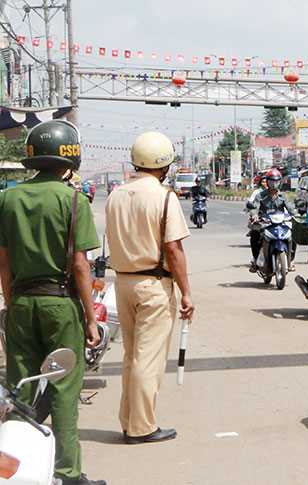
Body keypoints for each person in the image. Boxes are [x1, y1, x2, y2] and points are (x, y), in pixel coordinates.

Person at [0, 120, 106, 485]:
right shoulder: (73, 199)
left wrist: (12, 305)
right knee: (64, 389)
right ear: (70, 157)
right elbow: (80, 264)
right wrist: (91, 319)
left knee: (19, 387)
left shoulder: (8, 198)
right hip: (60, 304)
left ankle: (18, 469)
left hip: (22, 303)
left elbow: (4, 261)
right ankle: (67, 473)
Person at [105, 131, 195, 444]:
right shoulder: (164, 196)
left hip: (123, 282)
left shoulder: (117, 193)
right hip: (153, 285)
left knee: (132, 356)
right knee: (148, 359)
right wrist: (186, 292)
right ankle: (142, 427)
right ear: (165, 165)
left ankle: (129, 421)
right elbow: (173, 249)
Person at [246, 168, 297, 272]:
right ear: (267, 182)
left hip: (280, 223)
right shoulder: (260, 195)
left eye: (276, 182)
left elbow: (291, 208)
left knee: (293, 235)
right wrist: (254, 215)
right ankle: (256, 261)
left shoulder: (283, 196)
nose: (274, 184)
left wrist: (298, 215)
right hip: (264, 223)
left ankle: (290, 261)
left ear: (280, 182)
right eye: (271, 182)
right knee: (254, 236)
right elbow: (255, 207)